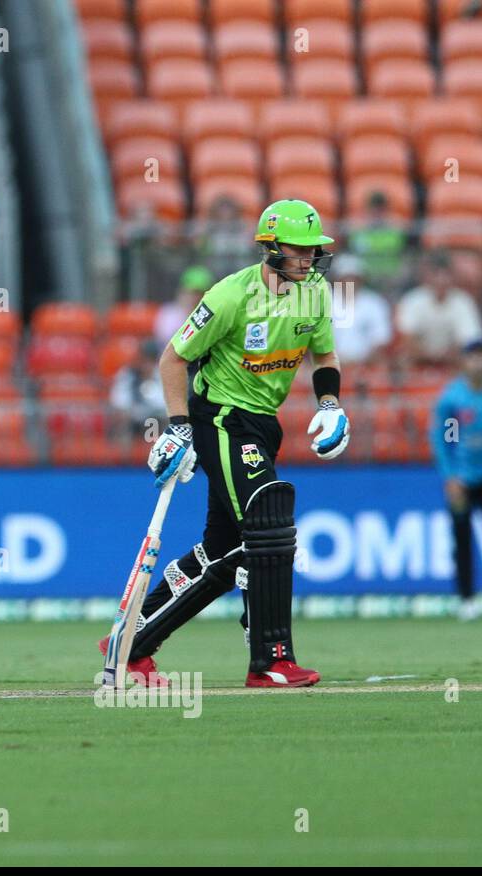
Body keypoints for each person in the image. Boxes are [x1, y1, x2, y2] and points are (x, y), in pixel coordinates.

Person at [108, 198, 349, 689]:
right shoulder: (229, 296)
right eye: (298, 250)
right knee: (268, 529)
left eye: (313, 250)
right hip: (220, 417)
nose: (308, 259)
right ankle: (270, 659)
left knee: (225, 549)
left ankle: (134, 639)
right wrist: (178, 427)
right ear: (270, 247)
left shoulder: (316, 291)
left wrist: (330, 404)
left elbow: (324, 355)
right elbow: (173, 358)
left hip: (264, 423)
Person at [429, 339, 482, 621]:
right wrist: (451, 478)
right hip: (462, 480)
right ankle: (467, 598)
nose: (480, 363)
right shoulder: (455, 399)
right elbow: (446, 441)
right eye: (475, 357)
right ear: (465, 362)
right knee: (462, 538)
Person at [396, 251, 482, 366]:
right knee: (402, 360)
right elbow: (407, 337)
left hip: (452, 360)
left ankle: (459, 384)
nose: (441, 281)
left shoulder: (464, 302)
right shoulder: (413, 300)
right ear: (427, 277)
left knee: (474, 359)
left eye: (445, 275)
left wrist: (447, 355)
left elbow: (470, 340)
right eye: (436, 275)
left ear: (453, 277)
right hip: (419, 359)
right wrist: (428, 355)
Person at [329, 254, 392, 366]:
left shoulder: (375, 303)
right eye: (345, 278)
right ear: (336, 279)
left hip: (367, 365)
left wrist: (362, 362)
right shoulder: (322, 301)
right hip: (327, 363)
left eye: (354, 278)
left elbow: (381, 339)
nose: (349, 282)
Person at [347, 190, 407, 295]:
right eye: (373, 209)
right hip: (364, 280)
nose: (377, 213)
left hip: (391, 280)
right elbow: (351, 258)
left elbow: (404, 258)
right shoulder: (357, 231)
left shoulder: (397, 231)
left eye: (380, 209)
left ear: (386, 210)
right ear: (367, 210)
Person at [109, 339, 165, 438]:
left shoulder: (161, 375)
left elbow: (162, 404)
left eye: (150, 360)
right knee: (122, 420)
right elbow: (118, 400)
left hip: (154, 420)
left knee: (156, 421)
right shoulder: (127, 374)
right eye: (144, 360)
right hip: (131, 419)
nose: (146, 364)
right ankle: (124, 453)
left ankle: (154, 450)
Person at [152, 265, 213, 346]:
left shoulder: (211, 316)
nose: (196, 297)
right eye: (193, 292)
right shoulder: (169, 313)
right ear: (182, 291)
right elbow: (169, 342)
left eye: (200, 293)